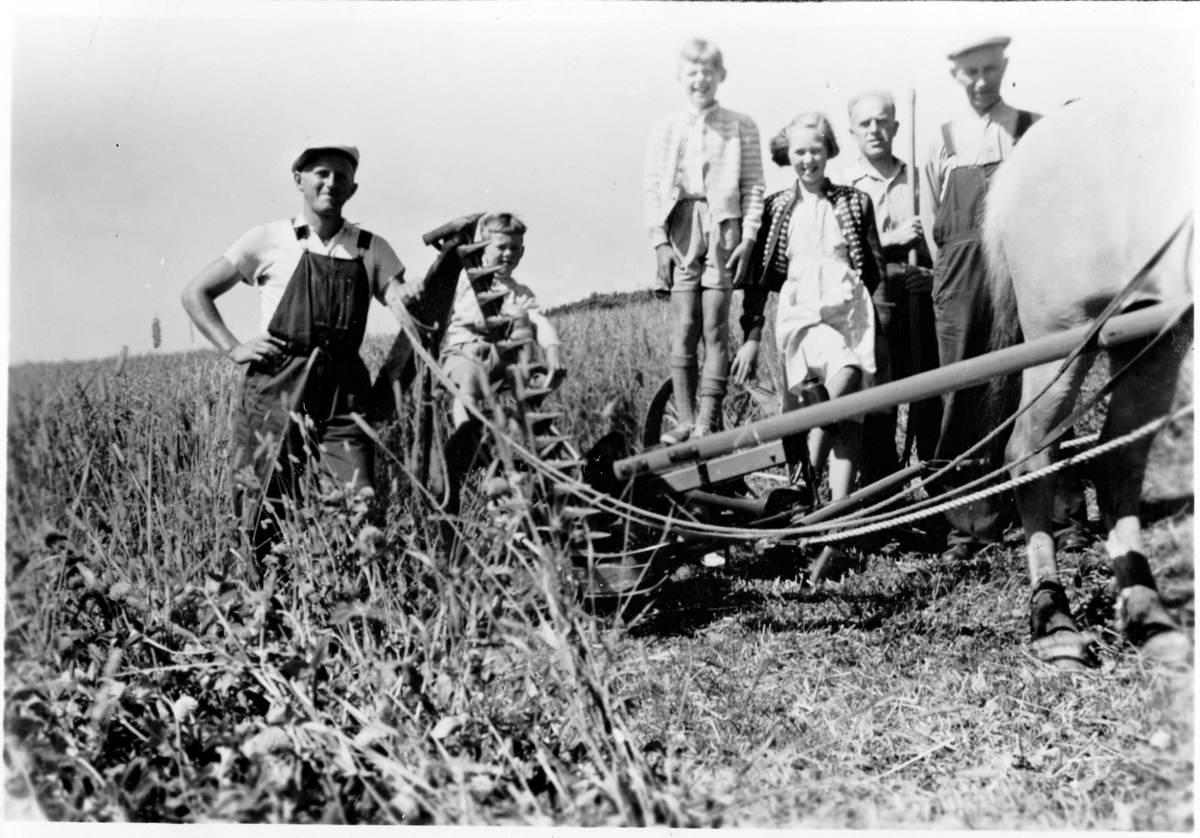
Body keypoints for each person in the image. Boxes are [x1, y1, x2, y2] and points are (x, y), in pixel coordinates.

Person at [181, 143, 416, 565]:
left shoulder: (371, 247)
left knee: (357, 504)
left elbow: (403, 303)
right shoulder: (268, 238)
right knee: (260, 501)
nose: (330, 182)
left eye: (340, 176)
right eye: (321, 173)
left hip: (344, 391)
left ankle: (342, 605)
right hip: (276, 385)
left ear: (353, 188)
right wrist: (233, 347)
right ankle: (263, 605)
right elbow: (196, 292)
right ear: (299, 180)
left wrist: (418, 292)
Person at [921, 36, 1088, 563]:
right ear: (955, 75)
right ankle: (971, 528)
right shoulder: (942, 140)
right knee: (964, 393)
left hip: (1027, 271)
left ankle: (1063, 520)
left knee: (1045, 385)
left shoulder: (1032, 129)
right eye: (969, 71)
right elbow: (933, 224)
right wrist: (958, 268)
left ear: (1004, 67)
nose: (980, 81)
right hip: (964, 275)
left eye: (989, 69)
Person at [732, 113, 884, 583]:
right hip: (802, 315)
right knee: (844, 375)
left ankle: (833, 529)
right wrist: (752, 337)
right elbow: (758, 280)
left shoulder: (855, 202)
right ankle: (802, 485)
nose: (807, 159)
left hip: (852, 312)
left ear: (828, 151)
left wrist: (886, 327)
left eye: (815, 150)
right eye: (798, 152)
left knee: (850, 417)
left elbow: (874, 271)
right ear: (788, 156)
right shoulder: (779, 208)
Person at [643, 38, 765, 443]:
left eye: (708, 72)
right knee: (685, 324)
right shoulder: (664, 127)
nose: (700, 80)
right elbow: (651, 188)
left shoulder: (741, 124)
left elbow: (754, 186)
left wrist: (747, 236)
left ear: (721, 76)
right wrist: (660, 240)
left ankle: (707, 421)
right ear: (682, 77)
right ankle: (684, 419)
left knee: (714, 325)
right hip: (679, 226)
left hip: (724, 227)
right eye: (692, 72)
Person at [841, 90, 941, 486]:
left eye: (882, 121)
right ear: (852, 131)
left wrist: (932, 277)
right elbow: (841, 255)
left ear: (896, 126)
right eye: (865, 123)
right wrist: (891, 241)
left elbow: (940, 244)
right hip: (869, 306)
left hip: (918, 301)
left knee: (928, 397)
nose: (874, 130)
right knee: (878, 403)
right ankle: (883, 500)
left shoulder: (918, 179)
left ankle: (938, 499)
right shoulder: (844, 186)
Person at [440, 211, 565, 429]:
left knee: (521, 313)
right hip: (465, 354)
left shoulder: (520, 292)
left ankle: (525, 392)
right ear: (483, 248)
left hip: (501, 361)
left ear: (522, 252)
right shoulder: (466, 279)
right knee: (467, 384)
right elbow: (461, 316)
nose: (508, 253)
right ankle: (465, 435)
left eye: (514, 248)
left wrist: (552, 348)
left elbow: (538, 321)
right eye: (500, 247)